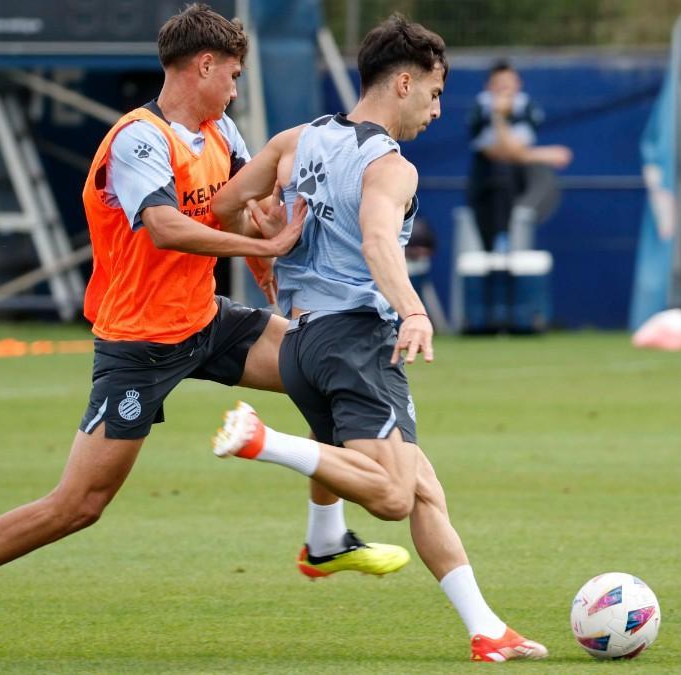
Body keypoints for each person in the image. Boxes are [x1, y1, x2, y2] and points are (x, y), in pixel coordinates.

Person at [0, 4, 408, 663]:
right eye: (233, 75)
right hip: (139, 340)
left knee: (317, 366)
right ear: (202, 66)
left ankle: (325, 538)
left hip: (206, 319)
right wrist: (249, 241)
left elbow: (249, 210)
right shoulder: (138, 138)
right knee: (80, 503)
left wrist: (275, 274)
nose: (237, 89)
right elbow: (165, 227)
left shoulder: (223, 132)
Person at [209, 15, 547, 663]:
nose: (437, 109)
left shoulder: (295, 140)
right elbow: (374, 239)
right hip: (357, 340)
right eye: (434, 93)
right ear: (402, 82)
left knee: (423, 488)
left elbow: (225, 207)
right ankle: (264, 442)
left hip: (302, 346)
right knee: (393, 495)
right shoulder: (391, 166)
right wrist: (414, 311)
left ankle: (485, 627)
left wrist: (270, 231)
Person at [466, 61, 571, 252]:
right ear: (489, 87)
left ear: (518, 84)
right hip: (486, 191)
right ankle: (500, 237)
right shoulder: (480, 111)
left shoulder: (526, 108)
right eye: (499, 84)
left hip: (519, 190)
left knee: (538, 176)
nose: (505, 89)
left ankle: (510, 233)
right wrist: (546, 154)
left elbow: (517, 151)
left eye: (509, 83)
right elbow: (501, 154)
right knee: (499, 171)